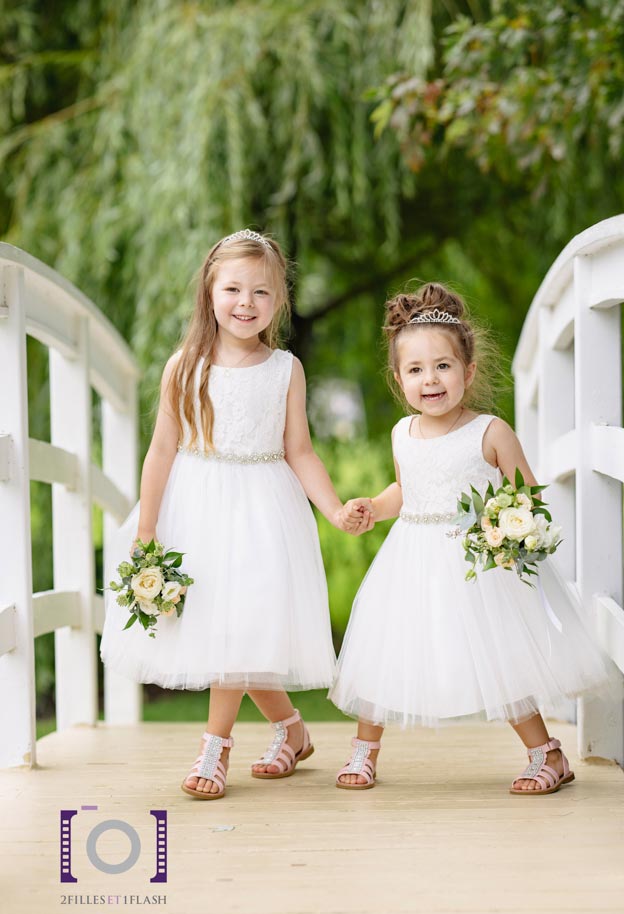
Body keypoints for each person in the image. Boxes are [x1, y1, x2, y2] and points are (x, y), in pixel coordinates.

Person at [100, 229, 370, 800]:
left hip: (263, 508)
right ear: (210, 291)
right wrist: (147, 529)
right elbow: (162, 450)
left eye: (262, 292)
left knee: (240, 623)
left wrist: (334, 509)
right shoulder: (184, 366)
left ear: (279, 302)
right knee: (227, 628)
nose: (246, 303)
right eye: (234, 289)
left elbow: (299, 449)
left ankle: (214, 747)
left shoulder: (284, 370)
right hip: (197, 505)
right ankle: (293, 731)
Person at [329, 282, 620, 795]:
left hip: (478, 564)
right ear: (399, 380)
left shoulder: (489, 431)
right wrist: (373, 508)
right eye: (415, 370)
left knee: (501, 653)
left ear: (468, 371)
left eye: (442, 366)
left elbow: (526, 494)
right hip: (411, 557)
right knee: (385, 647)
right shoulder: (403, 433)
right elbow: (406, 488)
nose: (430, 380)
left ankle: (546, 752)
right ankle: (364, 749)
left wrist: (511, 531)